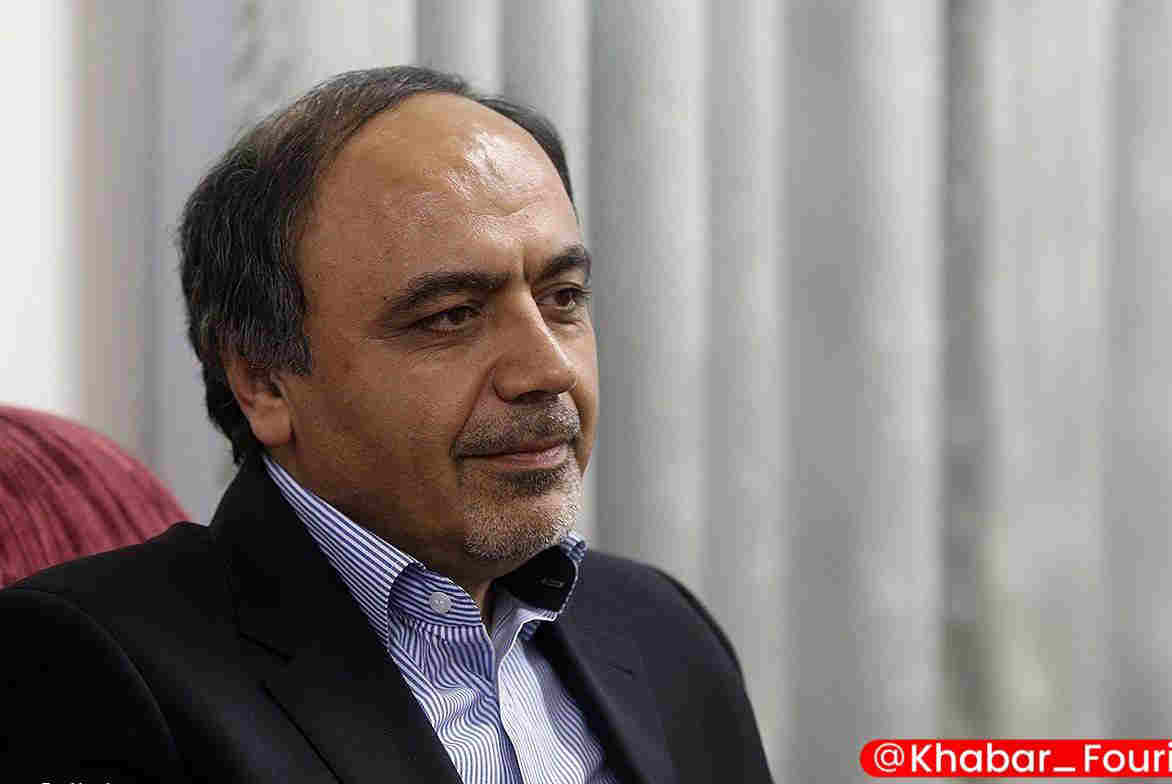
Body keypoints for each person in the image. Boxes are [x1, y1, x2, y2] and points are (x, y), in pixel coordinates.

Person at [0, 66, 773, 783]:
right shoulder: (82, 663)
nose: (547, 370)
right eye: (452, 315)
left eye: (562, 298)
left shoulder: (661, 630)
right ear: (263, 380)